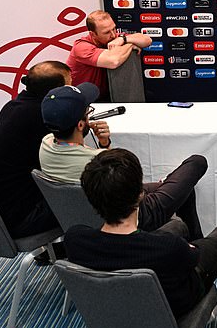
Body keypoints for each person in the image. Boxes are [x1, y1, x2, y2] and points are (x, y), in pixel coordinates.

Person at [65, 149, 217, 319]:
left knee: (178, 226)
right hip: (175, 308)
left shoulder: (75, 239)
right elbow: (193, 257)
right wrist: (187, 248)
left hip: (114, 315)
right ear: (140, 194)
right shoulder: (167, 247)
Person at [38, 83, 207, 239]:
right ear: (81, 125)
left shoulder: (45, 144)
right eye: (88, 112)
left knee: (185, 191)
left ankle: (195, 242)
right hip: (133, 213)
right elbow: (128, 189)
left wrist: (103, 145)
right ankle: (196, 248)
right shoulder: (97, 161)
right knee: (197, 163)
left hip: (93, 211)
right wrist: (106, 146)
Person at [0, 60, 70, 237]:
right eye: (70, 86)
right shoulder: (41, 118)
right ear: (55, 92)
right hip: (18, 219)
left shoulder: (14, 107)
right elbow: (63, 162)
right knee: (88, 198)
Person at [67, 10, 152, 101]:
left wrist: (124, 39)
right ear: (93, 34)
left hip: (106, 95)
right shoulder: (81, 47)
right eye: (107, 32)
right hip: (80, 99)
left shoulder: (115, 38)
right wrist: (130, 44)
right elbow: (113, 61)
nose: (113, 34)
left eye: (114, 29)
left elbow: (147, 40)